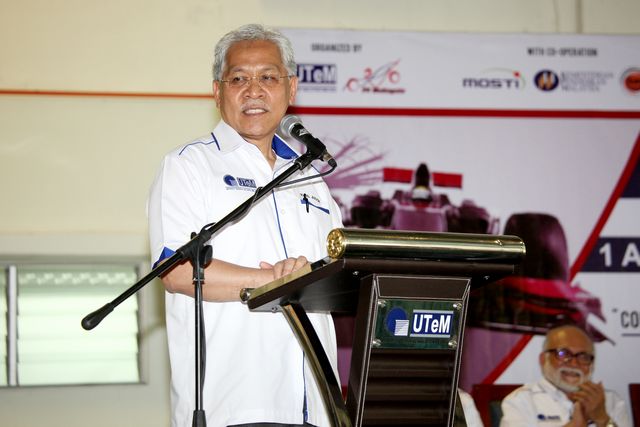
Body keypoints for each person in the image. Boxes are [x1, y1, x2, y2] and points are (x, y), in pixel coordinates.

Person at [147, 24, 343, 427]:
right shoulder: (189, 166)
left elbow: (337, 276)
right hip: (233, 404)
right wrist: (275, 282)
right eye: (239, 79)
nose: (254, 90)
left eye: (268, 77)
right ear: (217, 92)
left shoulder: (311, 179)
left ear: (291, 89)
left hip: (318, 403)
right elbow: (177, 271)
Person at [500, 325, 631, 427]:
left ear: (592, 364)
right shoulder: (521, 401)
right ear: (543, 359)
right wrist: (575, 424)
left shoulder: (611, 400)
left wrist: (602, 419)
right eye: (563, 354)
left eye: (583, 356)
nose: (574, 364)